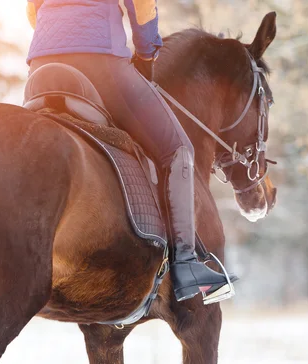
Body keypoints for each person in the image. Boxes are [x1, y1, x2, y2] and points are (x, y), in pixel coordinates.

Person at [25, 0, 232, 302]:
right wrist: (146, 53)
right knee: (177, 150)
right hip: (99, 59)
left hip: (41, 62)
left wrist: (56, 35)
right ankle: (186, 265)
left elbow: (33, 9)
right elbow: (143, 5)